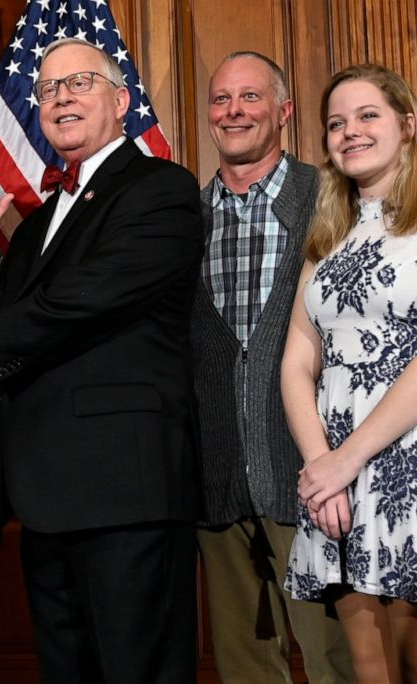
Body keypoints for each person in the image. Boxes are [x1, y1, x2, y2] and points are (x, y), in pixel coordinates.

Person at [0, 37, 203, 683]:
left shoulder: (162, 189)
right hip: (44, 492)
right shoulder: (39, 224)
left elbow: (81, 301)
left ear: (121, 101)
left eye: (79, 84)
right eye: (47, 89)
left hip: (126, 490)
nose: (61, 98)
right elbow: (4, 328)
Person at [191, 52, 354, 683]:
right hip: (219, 481)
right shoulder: (187, 218)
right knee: (245, 668)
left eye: (250, 97)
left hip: (313, 479)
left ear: (283, 112)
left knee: (335, 661)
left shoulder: (328, 196)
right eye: (221, 100)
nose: (233, 111)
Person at [282, 63, 417, 684]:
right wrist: (323, 468)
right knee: (368, 667)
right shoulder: (327, 233)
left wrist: (350, 459)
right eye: (337, 123)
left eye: (368, 116)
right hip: (335, 474)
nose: (350, 132)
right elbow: (297, 361)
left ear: (407, 125)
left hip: (404, 460)